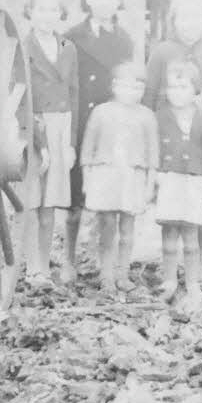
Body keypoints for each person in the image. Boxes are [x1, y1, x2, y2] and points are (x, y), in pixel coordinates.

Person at [143, 0, 202, 261]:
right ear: (173, 21)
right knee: (169, 195)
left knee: (197, 197)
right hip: (168, 131)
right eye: (183, 17)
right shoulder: (161, 52)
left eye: (195, 17)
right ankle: (168, 260)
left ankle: (196, 258)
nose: (189, 24)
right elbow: (149, 92)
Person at [63, 0, 135, 284]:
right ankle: (67, 259)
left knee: (107, 192)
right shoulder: (71, 36)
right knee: (74, 195)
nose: (105, 2)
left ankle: (103, 259)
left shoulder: (124, 40)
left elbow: (129, 81)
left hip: (111, 124)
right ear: (87, 0)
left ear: (119, 2)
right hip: (80, 119)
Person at [79, 62, 158, 292]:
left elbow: (153, 154)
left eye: (137, 88)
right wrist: (87, 179)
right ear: (114, 86)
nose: (131, 93)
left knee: (127, 227)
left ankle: (122, 273)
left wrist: (149, 184)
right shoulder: (101, 112)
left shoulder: (147, 116)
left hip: (132, 175)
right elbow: (88, 149)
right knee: (107, 226)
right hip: (105, 173)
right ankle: (106, 274)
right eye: (126, 86)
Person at [19, 0, 78, 286]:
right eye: (40, 9)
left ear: (60, 14)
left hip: (61, 127)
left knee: (50, 203)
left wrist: (69, 143)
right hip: (33, 127)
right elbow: (16, 95)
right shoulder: (22, 46)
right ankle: (33, 268)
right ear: (29, 13)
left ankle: (44, 263)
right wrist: (35, 139)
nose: (47, 16)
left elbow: (74, 94)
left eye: (53, 10)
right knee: (32, 200)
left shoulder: (68, 47)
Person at [154, 61, 202, 308]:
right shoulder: (160, 117)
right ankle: (168, 280)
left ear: (195, 90)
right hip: (169, 178)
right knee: (169, 234)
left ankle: (192, 283)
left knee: (191, 236)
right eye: (172, 87)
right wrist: (155, 176)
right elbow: (154, 148)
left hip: (194, 181)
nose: (176, 92)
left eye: (182, 86)